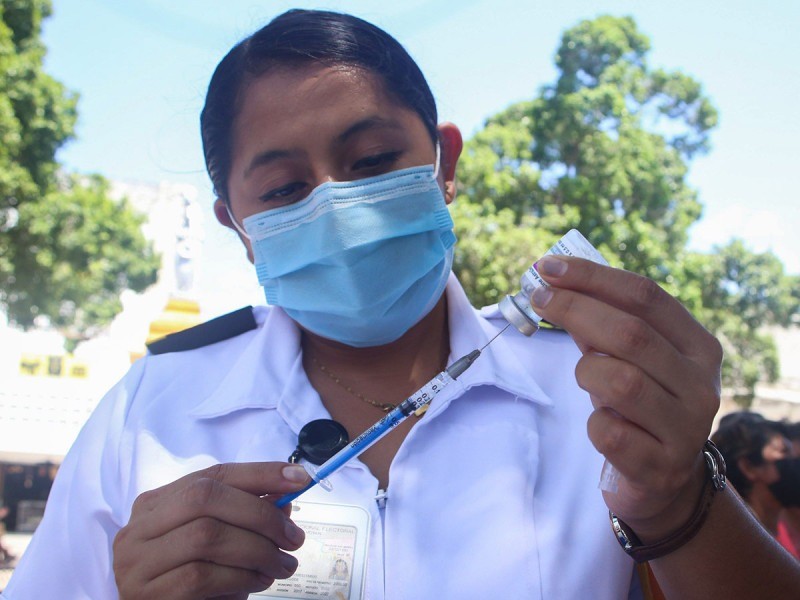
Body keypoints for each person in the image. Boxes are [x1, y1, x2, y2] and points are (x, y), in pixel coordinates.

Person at [3, 9, 800, 600]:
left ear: (445, 163)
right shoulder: (150, 414)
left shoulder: (600, 401)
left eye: (374, 159)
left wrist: (678, 501)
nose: (335, 207)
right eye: (283, 189)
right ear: (236, 227)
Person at [711, 412, 800, 559]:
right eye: (784, 451)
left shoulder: (781, 529)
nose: (795, 462)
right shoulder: (738, 544)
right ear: (749, 467)